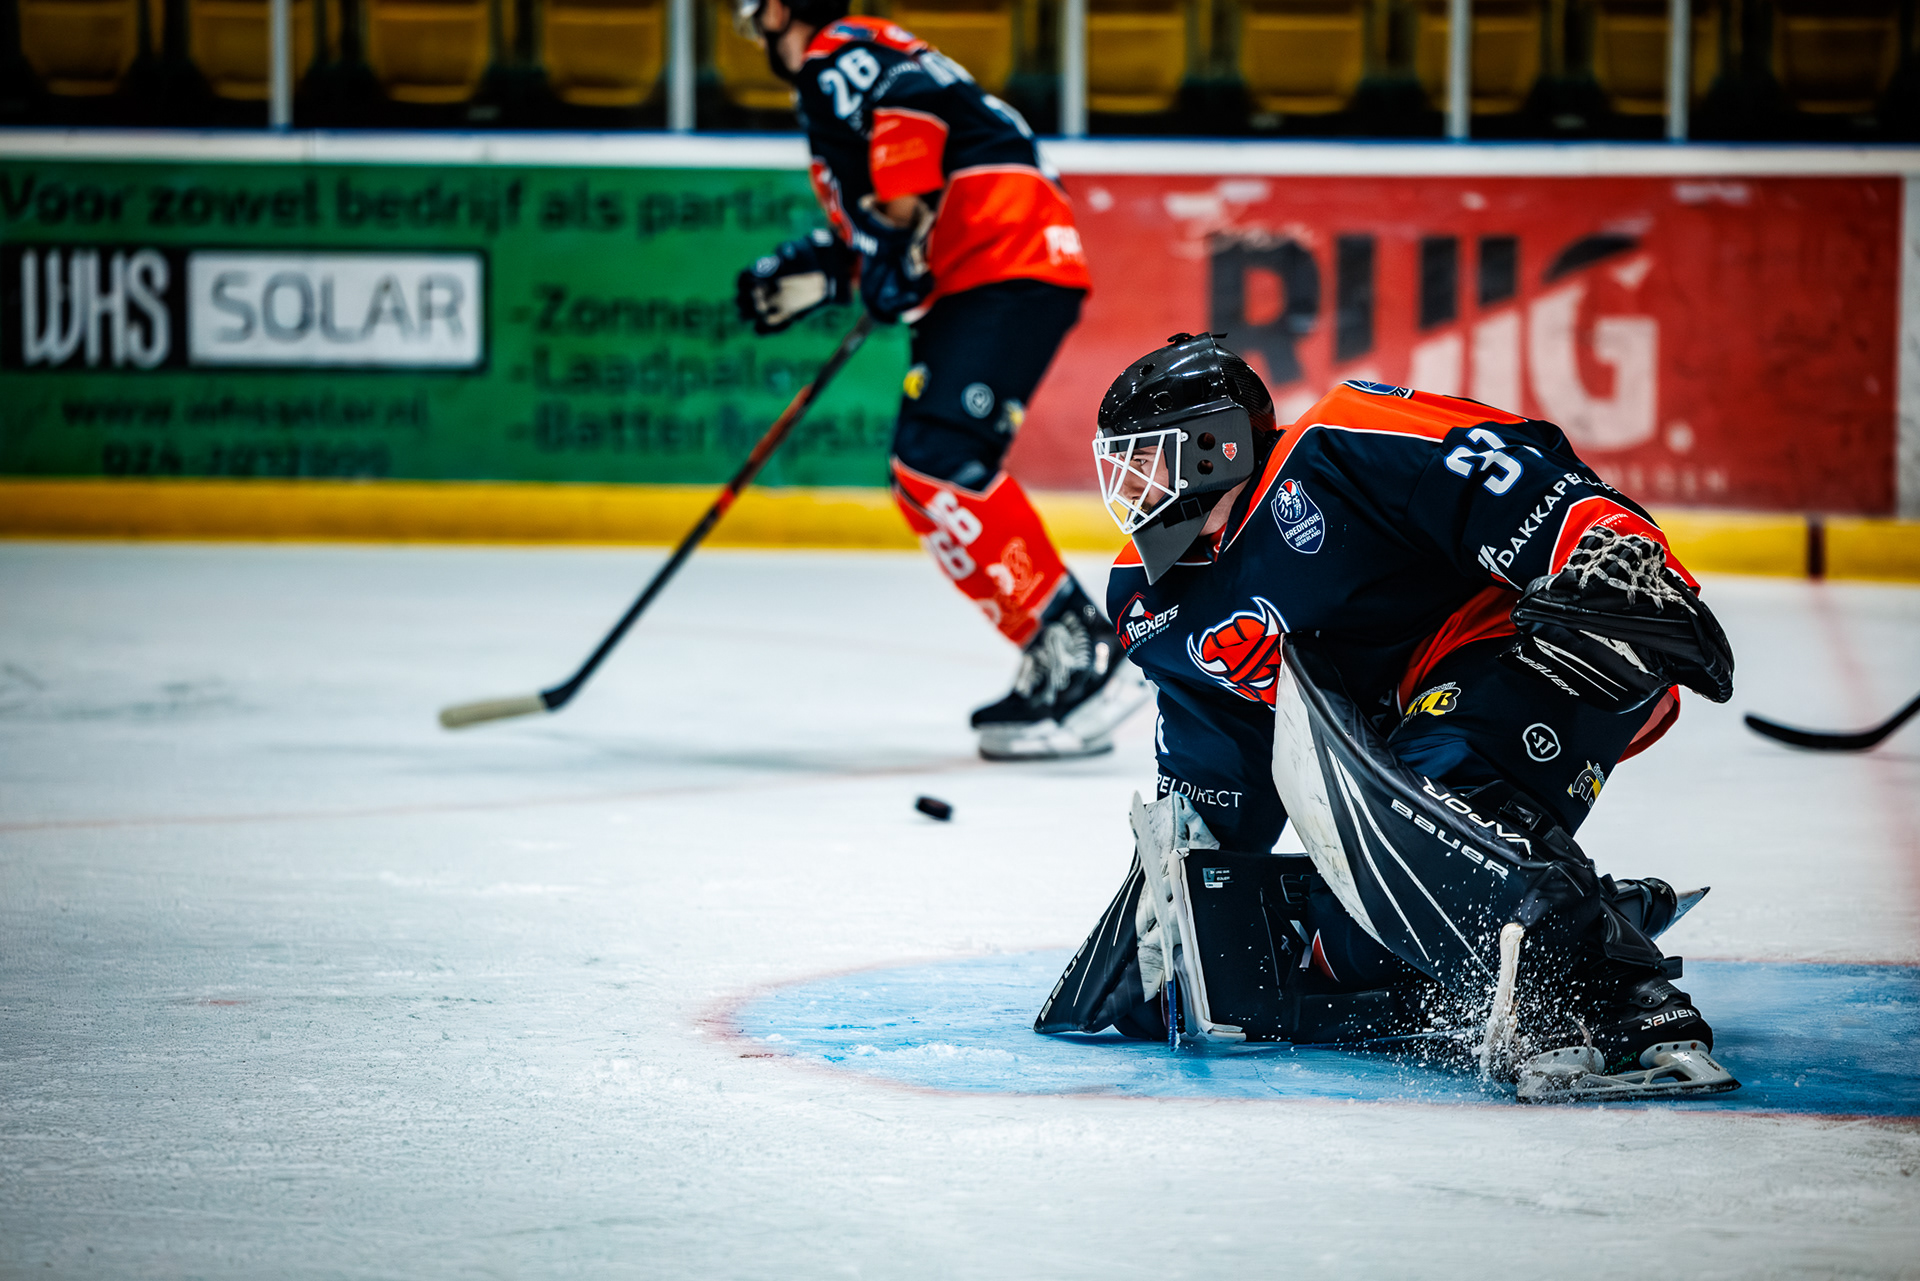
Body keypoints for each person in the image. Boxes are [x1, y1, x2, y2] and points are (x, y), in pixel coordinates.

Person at [1036, 333, 1741, 1103]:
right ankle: (1571, 913)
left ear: (1215, 445)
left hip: (1536, 646)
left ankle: (1622, 1002)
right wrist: (1181, 887)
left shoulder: (1337, 445)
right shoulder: (1152, 601)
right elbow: (1220, 762)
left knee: (1437, 811)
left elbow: (1498, 467)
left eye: (1149, 460)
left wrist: (1608, 550)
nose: (1132, 486)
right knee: (1356, 939)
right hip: (1404, 747)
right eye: (1123, 466)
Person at [731, 0, 1146, 760]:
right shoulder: (855, 64)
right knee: (924, 471)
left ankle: (1080, 647)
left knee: (939, 460)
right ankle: (1058, 647)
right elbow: (898, 224)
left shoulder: (834, 55)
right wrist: (837, 265)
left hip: (1002, 260)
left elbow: (912, 113)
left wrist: (897, 224)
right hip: (989, 265)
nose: (751, 25)